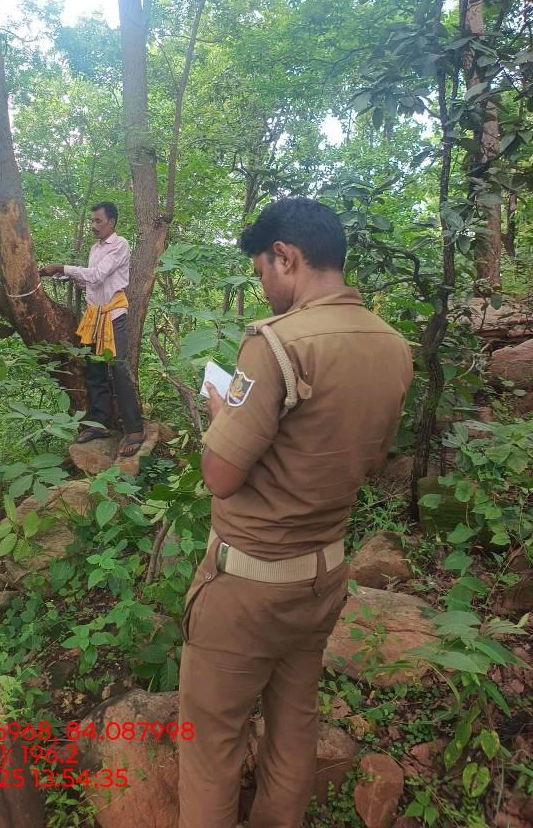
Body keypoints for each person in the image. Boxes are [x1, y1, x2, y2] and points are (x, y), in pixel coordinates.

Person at [177, 196, 413, 828]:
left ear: (285, 256)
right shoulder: (393, 346)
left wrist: (221, 416)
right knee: (293, 727)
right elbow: (368, 457)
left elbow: (220, 476)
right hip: (323, 575)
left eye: (262, 271)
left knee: (210, 747)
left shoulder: (277, 343)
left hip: (247, 586)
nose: (264, 287)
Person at [40, 201, 145, 458]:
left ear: (112, 222)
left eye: (98, 221)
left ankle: (134, 429)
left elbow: (98, 275)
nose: (93, 226)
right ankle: (99, 424)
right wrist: (69, 277)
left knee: (118, 368)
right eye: (92, 221)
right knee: (94, 369)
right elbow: (92, 281)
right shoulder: (95, 248)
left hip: (113, 315)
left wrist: (62, 267)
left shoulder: (120, 245)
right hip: (94, 315)